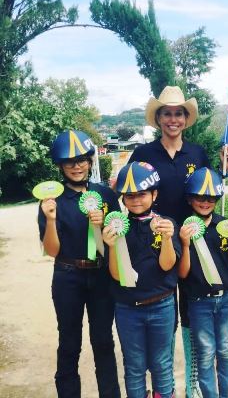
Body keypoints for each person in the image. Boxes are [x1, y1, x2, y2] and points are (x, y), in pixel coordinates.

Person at [129, 85, 228, 397]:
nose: (173, 119)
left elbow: (206, 189)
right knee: (163, 315)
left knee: (193, 315)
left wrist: (225, 168)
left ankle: (192, 386)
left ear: (186, 119)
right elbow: (131, 192)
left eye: (179, 113)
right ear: (158, 118)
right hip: (157, 247)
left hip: (194, 247)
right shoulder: (143, 154)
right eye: (167, 113)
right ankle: (159, 387)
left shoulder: (198, 153)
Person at [38, 130, 121, 398]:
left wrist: (104, 230)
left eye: (82, 159)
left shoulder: (106, 196)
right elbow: (51, 250)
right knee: (69, 343)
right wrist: (50, 219)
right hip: (68, 276)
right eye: (70, 161)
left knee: (103, 342)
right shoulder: (53, 201)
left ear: (89, 161)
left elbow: (119, 239)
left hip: (101, 278)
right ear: (61, 165)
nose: (77, 166)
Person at [102, 161, 181, 398]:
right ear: (122, 199)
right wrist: (112, 246)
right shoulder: (116, 227)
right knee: (134, 367)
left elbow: (167, 265)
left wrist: (167, 239)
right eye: (129, 196)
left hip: (162, 305)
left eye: (142, 194)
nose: (136, 200)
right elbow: (117, 275)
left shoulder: (166, 224)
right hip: (128, 309)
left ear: (154, 194)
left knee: (162, 364)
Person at [178, 167, 228, 398]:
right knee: (206, 353)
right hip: (199, 301)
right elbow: (182, 273)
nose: (205, 202)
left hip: (227, 298)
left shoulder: (226, 225)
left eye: (210, 197)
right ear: (190, 199)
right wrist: (186, 244)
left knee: (226, 352)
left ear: (217, 198)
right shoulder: (183, 230)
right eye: (200, 197)